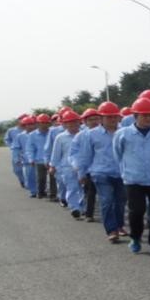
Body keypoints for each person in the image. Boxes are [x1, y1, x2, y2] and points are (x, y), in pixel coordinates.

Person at [113, 97, 150, 256]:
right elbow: (118, 154)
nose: (148, 118)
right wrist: (126, 170)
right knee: (137, 211)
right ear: (135, 116)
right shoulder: (123, 134)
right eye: (144, 115)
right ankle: (135, 238)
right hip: (133, 179)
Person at [74, 101, 127, 243]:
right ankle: (111, 230)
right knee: (107, 200)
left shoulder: (125, 132)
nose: (112, 119)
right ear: (101, 118)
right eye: (109, 117)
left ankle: (119, 225)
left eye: (115, 116)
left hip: (122, 172)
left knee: (120, 201)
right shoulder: (91, 134)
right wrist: (81, 173)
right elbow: (85, 155)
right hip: (100, 173)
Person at [49, 109, 84, 220]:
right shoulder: (60, 137)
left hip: (83, 167)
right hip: (67, 168)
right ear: (64, 124)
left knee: (83, 189)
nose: (72, 124)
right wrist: (52, 166)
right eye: (69, 122)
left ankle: (82, 207)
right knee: (72, 188)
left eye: (75, 121)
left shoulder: (84, 135)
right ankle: (75, 208)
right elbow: (56, 153)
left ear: (79, 122)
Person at [70, 108, 101, 221]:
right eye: (91, 120)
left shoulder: (106, 133)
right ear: (85, 122)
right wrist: (80, 171)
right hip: (88, 169)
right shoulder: (80, 136)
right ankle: (89, 214)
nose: (94, 122)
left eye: (96, 119)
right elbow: (75, 154)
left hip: (104, 169)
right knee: (90, 192)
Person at [26, 113, 53, 200]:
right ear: (37, 124)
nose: (44, 125)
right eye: (42, 123)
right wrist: (31, 159)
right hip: (39, 160)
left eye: (46, 123)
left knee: (53, 178)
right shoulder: (32, 135)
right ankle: (41, 192)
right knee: (41, 178)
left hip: (52, 160)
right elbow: (30, 148)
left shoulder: (52, 133)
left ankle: (53, 194)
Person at [14, 116, 38, 196]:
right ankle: (33, 191)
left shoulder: (37, 134)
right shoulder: (20, 136)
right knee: (28, 177)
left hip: (38, 159)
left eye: (31, 124)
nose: (30, 126)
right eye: (27, 125)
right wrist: (16, 158)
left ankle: (39, 190)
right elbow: (16, 148)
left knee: (39, 177)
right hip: (26, 160)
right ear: (23, 126)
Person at [4, 117, 27, 188]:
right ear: (18, 121)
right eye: (22, 119)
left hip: (26, 151)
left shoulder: (29, 129)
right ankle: (22, 180)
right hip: (16, 151)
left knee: (28, 169)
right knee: (17, 170)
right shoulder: (11, 130)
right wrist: (11, 146)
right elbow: (7, 139)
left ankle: (27, 182)